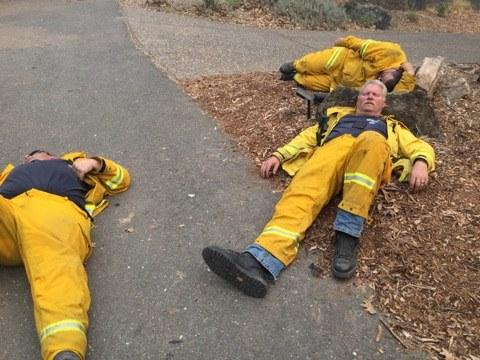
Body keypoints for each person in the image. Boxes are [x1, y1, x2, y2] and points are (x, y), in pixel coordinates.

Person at [202, 80, 435, 298]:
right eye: (365, 93)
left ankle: (347, 237)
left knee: (372, 140)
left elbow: (418, 146)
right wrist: (279, 155)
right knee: (301, 193)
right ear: (357, 99)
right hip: (330, 154)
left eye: (376, 94)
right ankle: (260, 262)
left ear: (384, 103)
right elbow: (306, 138)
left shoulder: (390, 126)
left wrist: (421, 163)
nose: (370, 96)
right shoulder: (337, 119)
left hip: (368, 156)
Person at [0, 150, 131, 360]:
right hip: (7, 214)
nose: (41, 156)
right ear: (27, 160)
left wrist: (95, 163)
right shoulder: (9, 174)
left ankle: (64, 351)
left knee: (55, 268)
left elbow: (122, 179)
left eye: (45, 153)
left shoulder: (75, 164)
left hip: (53, 210)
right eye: (34, 155)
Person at [279, 35, 416, 93]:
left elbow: (402, 93)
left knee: (307, 82)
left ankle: (295, 76)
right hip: (340, 60)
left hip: (338, 82)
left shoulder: (395, 85)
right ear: (396, 69)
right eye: (382, 77)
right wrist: (343, 41)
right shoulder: (392, 52)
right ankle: (295, 66)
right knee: (309, 63)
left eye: (381, 81)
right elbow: (362, 45)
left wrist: (410, 73)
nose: (379, 79)